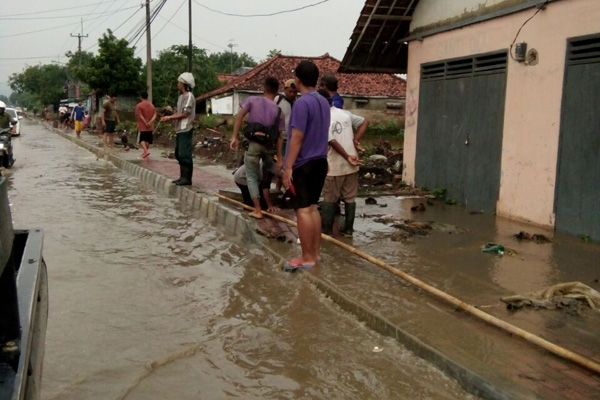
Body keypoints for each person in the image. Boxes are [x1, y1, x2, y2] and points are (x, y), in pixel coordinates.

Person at [281, 60, 330, 271]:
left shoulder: (302, 103)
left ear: (297, 80)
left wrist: (288, 167)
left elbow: (297, 138)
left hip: (304, 164)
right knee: (312, 208)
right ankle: (315, 254)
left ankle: (307, 257)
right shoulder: (323, 102)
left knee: (302, 210)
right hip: (320, 161)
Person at [230, 76, 285, 218]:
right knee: (269, 165)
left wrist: (234, 137)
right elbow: (279, 136)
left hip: (253, 145)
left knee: (251, 176)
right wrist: (279, 158)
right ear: (277, 91)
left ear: (263, 88)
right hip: (268, 147)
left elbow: (239, 116)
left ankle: (258, 210)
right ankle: (287, 176)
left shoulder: (252, 100)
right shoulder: (279, 111)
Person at [317, 89, 369, 237]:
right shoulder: (344, 114)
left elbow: (331, 141)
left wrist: (346, 156)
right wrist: (355, 140)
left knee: (329, 199)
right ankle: (348, 230)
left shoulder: (324, 118)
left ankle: (326, 230)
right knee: (350, 198)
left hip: (335, 165)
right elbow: (365, 121)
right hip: (352, 164)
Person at [160, 72, 196, 186]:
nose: (178, 84)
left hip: (186, 128)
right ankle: (182, 176)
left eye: (179, 82)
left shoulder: (189, 96)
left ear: (184, 84)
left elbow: (185, 114)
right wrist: (171, 117)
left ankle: (187, 178)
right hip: (179, 129)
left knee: (184, 154)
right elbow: (179, 113)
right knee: (178, 153)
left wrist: (170, 117)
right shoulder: (181, 97)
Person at [274, 79, 298, 149]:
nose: (292, 94)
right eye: (290, 91)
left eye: (295, 92)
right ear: (285, 89)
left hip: (291, 138)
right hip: (279, 137)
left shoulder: (297, 102)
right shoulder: (278, 99)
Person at [135, 91, 156, 159]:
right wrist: (150, 122)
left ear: (141, 96)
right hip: (150, 126)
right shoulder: (151, 105)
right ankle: (145, 152)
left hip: (142, 126)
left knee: (141, 140)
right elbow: (155, 115)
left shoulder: (139, 105)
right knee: (147, 140)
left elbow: (140, 115)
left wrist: (145, 122)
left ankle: (146, 151)